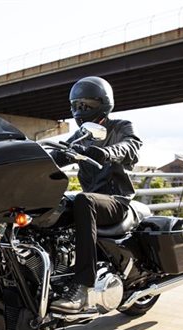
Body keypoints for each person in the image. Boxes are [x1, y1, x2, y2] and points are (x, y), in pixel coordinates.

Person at [49, 76, 142, 313]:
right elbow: (59, 155)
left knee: (83, 200)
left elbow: (131, 146)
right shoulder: (81, 134)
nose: (80, 110)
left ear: (102, 103)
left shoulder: (121, 126)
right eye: (76, 105)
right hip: (93, 201)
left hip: (116, 200)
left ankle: (82, 287)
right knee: (53, 205)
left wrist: (106, 153)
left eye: (86, 104)